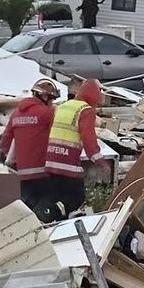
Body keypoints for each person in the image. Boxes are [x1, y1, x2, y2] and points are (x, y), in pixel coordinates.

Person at [41, 79, 107, 222]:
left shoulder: (62, 106)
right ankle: (54, 216)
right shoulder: (86, 110)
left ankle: (52, 218)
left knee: (57, 196)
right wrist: (100, 161)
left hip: (51, 160)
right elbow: (89, 139)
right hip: (68, 163)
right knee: (76, 197)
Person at [0, 79, 60, 207]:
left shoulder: (16, 113)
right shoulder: (47, 113)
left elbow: (5, 140)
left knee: (27, 206)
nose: (52, 102)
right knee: (45, 207)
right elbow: (55, 137)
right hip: (42, 170)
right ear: (44, 96)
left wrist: (3, 154)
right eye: (51, 99)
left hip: (22, 172)